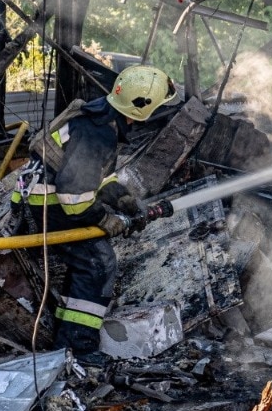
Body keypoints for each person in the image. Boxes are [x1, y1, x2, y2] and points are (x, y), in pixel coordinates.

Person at [13, 65, 178, 359]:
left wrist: (122, 199)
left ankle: (67, 331)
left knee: (87, 263)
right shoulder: (97, 133)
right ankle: (78, 346)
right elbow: (74, 198)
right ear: (142, 108)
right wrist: (105, 220)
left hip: (40, 198)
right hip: (47, 207)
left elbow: (96, 176)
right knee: (98, 264)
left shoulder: (102, 115)